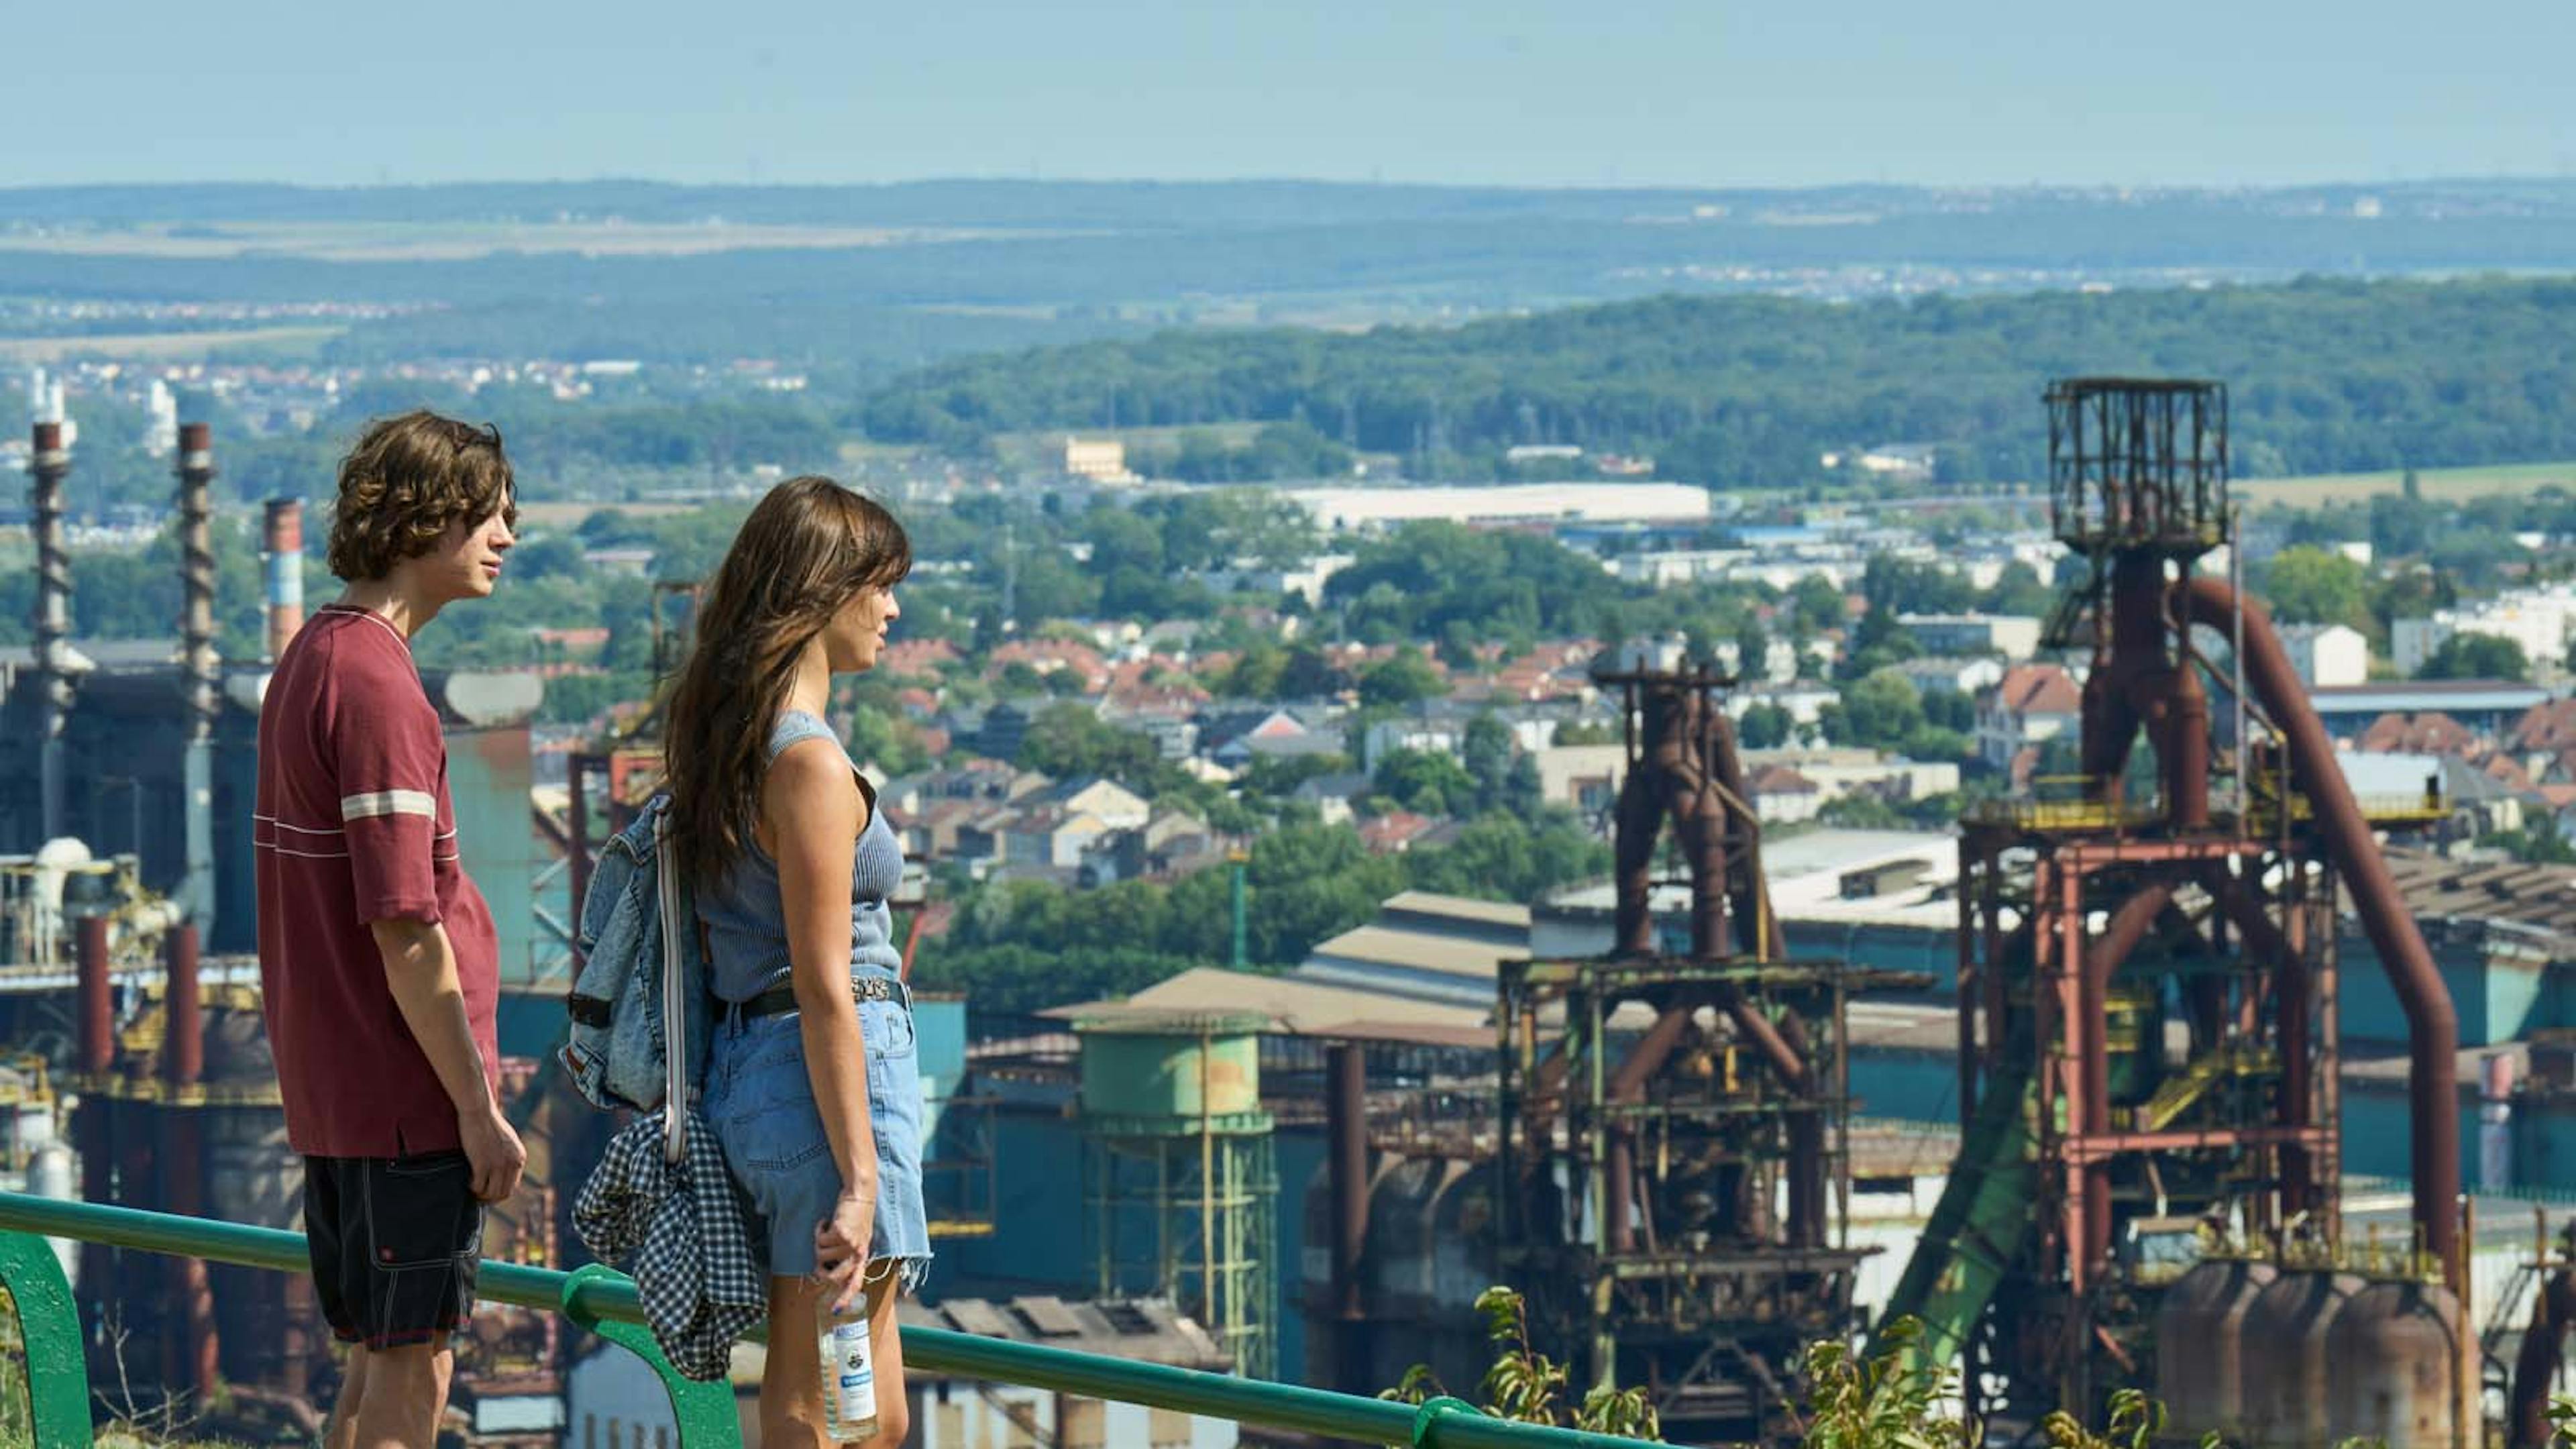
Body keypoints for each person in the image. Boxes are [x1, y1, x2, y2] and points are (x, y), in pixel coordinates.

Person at [254, 411, 527, 1449]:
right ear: (424, 517)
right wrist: (476, 1107)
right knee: (418, 1369)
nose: (506, 535)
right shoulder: (378, 688)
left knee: (377, 1357)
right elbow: (405, 924)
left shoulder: (312, 659)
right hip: (404, 1092)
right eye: (489, 513)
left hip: (338, 1085)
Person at [661, 475, 928, 1448]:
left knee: (812, 1380)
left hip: (757, 1082)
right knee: (858, 1412)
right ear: (822, 593)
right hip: (827, 1088)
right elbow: (824, 986)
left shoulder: (725, 741)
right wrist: (862, 1180)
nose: (894, 610)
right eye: (882, 586)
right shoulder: (807, 763)